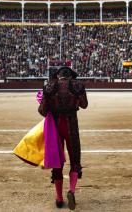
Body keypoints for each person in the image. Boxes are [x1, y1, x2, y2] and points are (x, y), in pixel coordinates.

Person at [38, 66, 88, 210]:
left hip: (56, 127)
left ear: (57, 76)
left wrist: (46, 100)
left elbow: (42, 111)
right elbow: (84, 105)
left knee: (57, 161)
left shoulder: (49, 87)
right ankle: (71, 190)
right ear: (71, 76)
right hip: (71, 125)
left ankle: (59, 198)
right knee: (74, 160)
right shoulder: (78, 86)